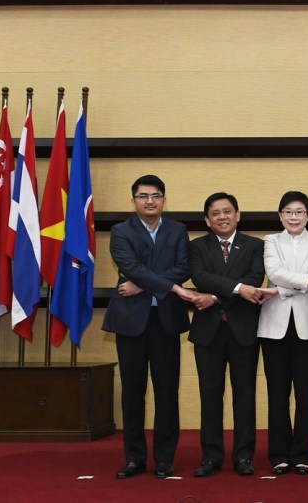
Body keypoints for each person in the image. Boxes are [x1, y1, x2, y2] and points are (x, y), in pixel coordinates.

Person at [108, 174, 196, 480]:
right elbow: (129, 266)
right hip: (130, 322)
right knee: (133, 392)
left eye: (156, 195)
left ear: (164, 200)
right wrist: (160, 283)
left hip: (165, 321)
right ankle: (134, 458)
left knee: (167, 391)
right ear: (133, 200)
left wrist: (141, 285)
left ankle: (164, 458)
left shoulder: (177, 230)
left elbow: (183, 268)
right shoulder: (120, 231)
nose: (150, 201)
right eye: (143, 196)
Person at [187, 192, 273, 478]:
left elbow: (255, 279)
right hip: (208, 333)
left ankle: (244, 456)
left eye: (227, 211)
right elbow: (199, 277)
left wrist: (213, 296)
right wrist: (235, 290)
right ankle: (210, 457)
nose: (222, 217)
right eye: (215, 213)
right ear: (207, 220)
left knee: (245, 396)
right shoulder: (197, 246)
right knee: (210, 396)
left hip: (243, 331)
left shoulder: (255, 245)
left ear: (238, 215)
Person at [260, 191, 308, 475]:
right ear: (280, 216)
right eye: (288, 212)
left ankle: (303, 454)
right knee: (277, 393)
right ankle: (278, 454)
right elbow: (274, 272)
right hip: (273, 327)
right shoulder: (270, 241)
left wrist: (279, 290)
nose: (294, 217)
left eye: (299, 212)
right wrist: (305, 283)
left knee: (306, 393)